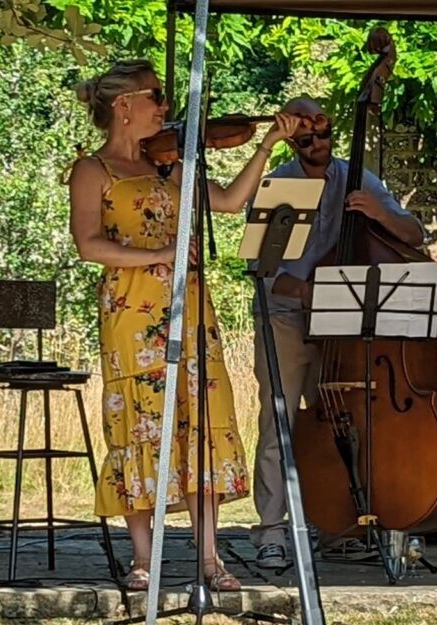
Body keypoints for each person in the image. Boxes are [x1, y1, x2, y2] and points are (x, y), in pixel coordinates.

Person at [69, 60, 280, 591]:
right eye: (155, 97)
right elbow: (88, 245)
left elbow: (230, 202)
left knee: (200, 419)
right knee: (140, 425)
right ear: (123, 106)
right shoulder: (93, 170)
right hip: (131, 312)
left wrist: (267, 144)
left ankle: (210, 559)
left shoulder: (170, 165)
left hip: (189, 303)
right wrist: (159, 252)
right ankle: (144, 560)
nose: (165, 108)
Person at [249, 96, 427, 569]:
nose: (318, 145)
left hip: (342, 326)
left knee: (343, 422)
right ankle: (271, 530)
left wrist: (379, 211)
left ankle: (339, 524)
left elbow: (414, 235)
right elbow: (264, 269)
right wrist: (309, 293)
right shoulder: (279, 186)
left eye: (323, 135)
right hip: (286, 318)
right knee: (279, 422)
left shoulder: (357, 177)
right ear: (292, 141)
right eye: (305, 140)